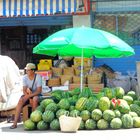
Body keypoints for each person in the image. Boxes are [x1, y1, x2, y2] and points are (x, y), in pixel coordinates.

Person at [10, 63, 42, 129]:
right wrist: (28, 96)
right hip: (28, 94)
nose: (26, 71)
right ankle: (15, 123)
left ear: (33, 71)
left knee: (35, 99)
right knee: (20, 100)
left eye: (28, 70)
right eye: (26, 70)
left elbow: (39, 91)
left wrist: (29, 96)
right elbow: (24, 90)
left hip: (36, 95)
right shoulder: (24, 77)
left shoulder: (38, 77)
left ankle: (34, 121)